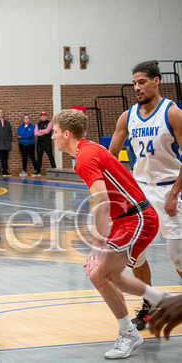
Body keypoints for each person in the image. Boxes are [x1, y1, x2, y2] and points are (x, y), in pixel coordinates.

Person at [52, 109, 166, 359]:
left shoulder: (85, 157)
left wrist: (96, 247)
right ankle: (160, 303)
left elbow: (102, 200)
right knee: (104, 276)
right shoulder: (86, 151)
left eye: (55, 131)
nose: (53, 136)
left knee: (99, 273)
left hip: (137, 218)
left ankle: (131, 332)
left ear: (67, 133)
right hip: (127, 219)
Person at [109, 60, 182, 331]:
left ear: (156, 81)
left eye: (141, 82)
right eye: (134, 83)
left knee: (177, 256)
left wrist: (175, 193)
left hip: (169, 188)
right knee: (134, 254)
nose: (137, 88)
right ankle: (150, 304)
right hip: (139, 191)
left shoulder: (172, 113)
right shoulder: (127, 117)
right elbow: (111, 157)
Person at [34, 111, 56, 177]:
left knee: (50, 156)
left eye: (44, 116)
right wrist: (43, 131)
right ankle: (38, 171)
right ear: (40, 117)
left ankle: (54, 169)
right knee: (39, 157)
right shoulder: (38, 124)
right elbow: (35, 133)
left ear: (46, 117)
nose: (43, 117)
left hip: (47, 143)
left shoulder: (49, 123)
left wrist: (40, 131)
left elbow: (47, 131)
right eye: (42, 116)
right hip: (40, 143)